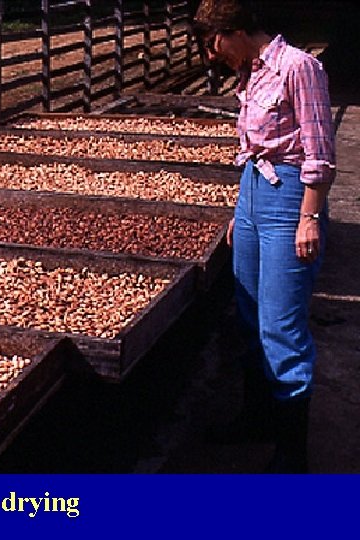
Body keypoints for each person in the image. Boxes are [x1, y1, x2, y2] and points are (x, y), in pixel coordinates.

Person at [192, 0, 336, 473]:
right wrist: (242, 209)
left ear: (236, 30)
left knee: (282, 325)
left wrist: (309, 217)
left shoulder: (299, 67)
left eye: (216, 42)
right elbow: (254, 149)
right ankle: (257, 418)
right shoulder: (253, 72)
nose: (214, 54)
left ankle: (293, 453)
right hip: (255, 192)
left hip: (291, 196)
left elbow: (319, 150)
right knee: (250, 310)